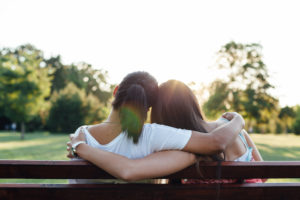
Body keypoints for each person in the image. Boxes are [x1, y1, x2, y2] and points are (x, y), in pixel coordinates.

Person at [67, 73, 245, 181]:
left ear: (116, 91)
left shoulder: (81, 134)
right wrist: (238, 120)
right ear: (148, 106)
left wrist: (80, 147)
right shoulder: (154, 134)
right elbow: (214, 142)